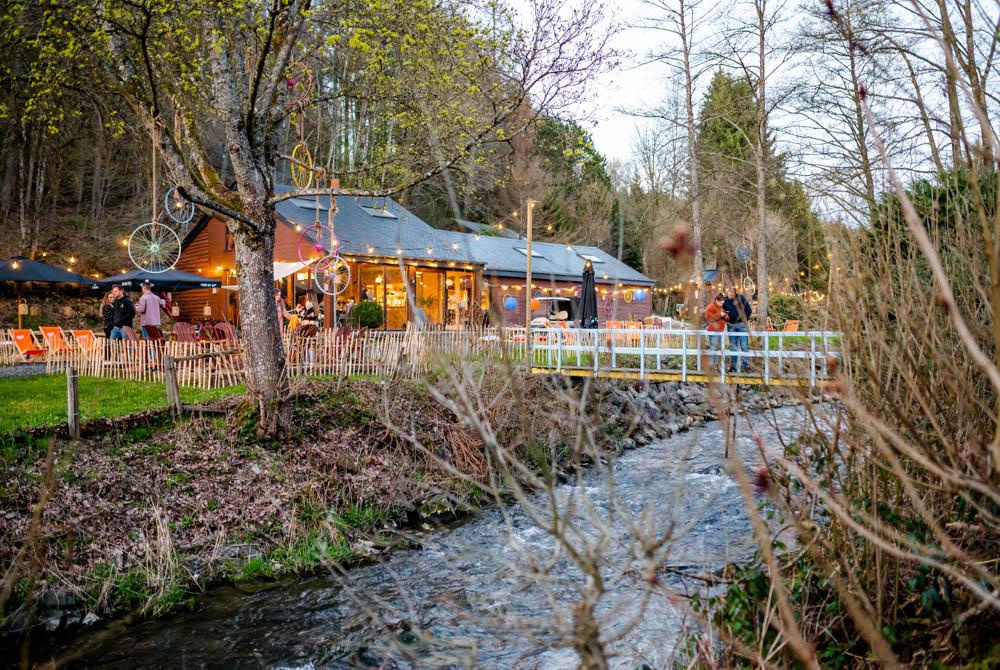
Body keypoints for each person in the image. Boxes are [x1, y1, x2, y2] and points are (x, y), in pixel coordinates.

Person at [724, 287, 753, 373]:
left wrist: (745, 319)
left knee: (744, 345)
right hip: (731, 325)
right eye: (729, 294)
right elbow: (720, 310)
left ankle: (746, 365)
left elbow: (749, 310)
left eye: (731, 294)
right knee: (733, 346)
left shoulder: (741, 298)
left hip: (742, 325)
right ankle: (733, 366)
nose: (730, 296)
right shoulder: (725, 301)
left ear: (735, 294)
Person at [704, 293, 728, 370]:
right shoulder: (710, 307)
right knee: (713, 348)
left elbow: (722, 317)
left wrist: (726, 316)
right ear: (716, 300)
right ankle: (711, 366)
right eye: (720, 302)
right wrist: (719, 314)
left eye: (723, 302)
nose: (722, 304)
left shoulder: (721, 307)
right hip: (713, 331)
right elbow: (709, 318)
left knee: (719, 348)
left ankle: (717, 365)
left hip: (720, 331)